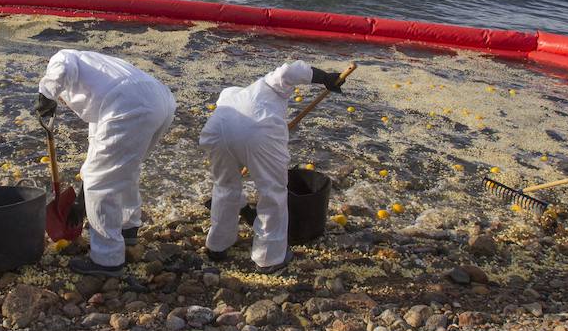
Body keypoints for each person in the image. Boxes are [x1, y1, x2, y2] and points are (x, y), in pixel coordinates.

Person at [36, 50, 175, 277]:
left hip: (129, 102)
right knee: (123, 169)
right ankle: (127, 226)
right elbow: (97, 155)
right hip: (161, 99)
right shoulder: (100, 76)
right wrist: (81, 202)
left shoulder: (67, 59)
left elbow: (62, 61)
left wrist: (45, 95)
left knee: (100, 183)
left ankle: (107, 259)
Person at [201, 61, 346, 274]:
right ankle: (269, 258)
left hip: (215, 131)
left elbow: (234, 127)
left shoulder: (230, 98)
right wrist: (325, 78)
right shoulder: (267, 85)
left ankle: (217, 246)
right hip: (259, 131)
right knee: (273, 191)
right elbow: (290, 71)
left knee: (225, 186)